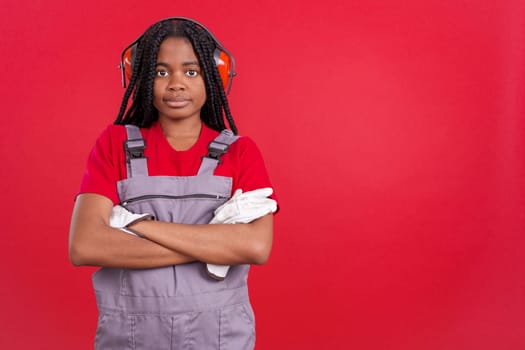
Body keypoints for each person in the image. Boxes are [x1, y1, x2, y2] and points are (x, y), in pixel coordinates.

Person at [68, 17, 278, 349]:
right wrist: (214, 245)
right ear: (141, 76)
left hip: (219, 339)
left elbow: (256, 247)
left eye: (191, 72)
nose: (176, 83)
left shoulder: (240, 152)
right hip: (130, 339)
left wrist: (138, 226)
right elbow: (84, 246)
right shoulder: (114, 144)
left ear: (215, 78)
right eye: (162, 72)